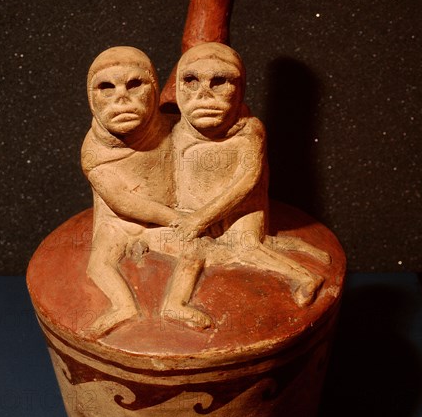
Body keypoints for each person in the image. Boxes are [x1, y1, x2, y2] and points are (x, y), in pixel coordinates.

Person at [161, 43, 327, 328]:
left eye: (219, 81)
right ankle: (175, 305)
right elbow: (179, 182)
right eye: (191, 81)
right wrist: (191, 216)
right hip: (201, 213)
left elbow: (248, 181)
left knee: (245, 247)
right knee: (195, 250)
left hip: (242, 207)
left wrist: (203, 218)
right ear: (177, 87)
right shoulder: (178, 133)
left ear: (240, 88)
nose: (204, 95)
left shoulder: (249, 130)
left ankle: (307, 278)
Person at [81, 46, 180, 336]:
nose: (121, 99)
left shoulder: (174, 129)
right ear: (91, 98)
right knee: (99, 265)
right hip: (118, 224)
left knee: (193, 253)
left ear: (154, 88)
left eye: (134, 84)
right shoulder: (94, 152)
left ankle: (176, 304)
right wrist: (175, 218)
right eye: (106, 88)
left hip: (169, 220)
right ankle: (123, 306)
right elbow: (122, 202)